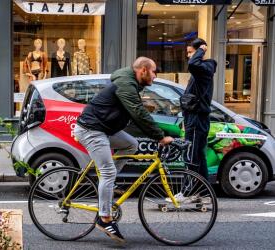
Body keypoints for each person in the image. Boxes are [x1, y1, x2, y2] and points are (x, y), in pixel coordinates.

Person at [74, 57, 174, 244]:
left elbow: (135, 110)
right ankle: (104, 219)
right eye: (153, 72)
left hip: (102, 128)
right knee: (108, 171)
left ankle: (108, 184)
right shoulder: (127, 85)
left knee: (132, 144)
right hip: (91, 129)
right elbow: (137, 111)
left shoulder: (131, 83)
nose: (155, 76)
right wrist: (160, 136)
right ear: (143, 70)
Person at [182, 38, 217, 181]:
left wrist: (202, 49)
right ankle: (202, 192)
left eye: (191, 52)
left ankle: (188, 192)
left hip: (197, 119)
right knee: (199, 155)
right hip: (194, 118)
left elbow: (192, 64)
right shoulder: (201, 70)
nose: (188, 56)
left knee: (191, 156)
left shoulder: (204, 68)